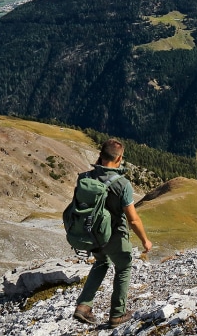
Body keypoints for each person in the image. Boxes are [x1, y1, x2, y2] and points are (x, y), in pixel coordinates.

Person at [73, 139, 153, 327]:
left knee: (101, 262)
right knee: (124, 266)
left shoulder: (85, 178)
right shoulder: (122, 184)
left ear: (100, 156)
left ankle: (83, 306)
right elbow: (133, 219)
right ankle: (117, 314)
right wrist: (145, 240)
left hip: (91, 234)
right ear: (120, 158)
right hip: (114, 235)